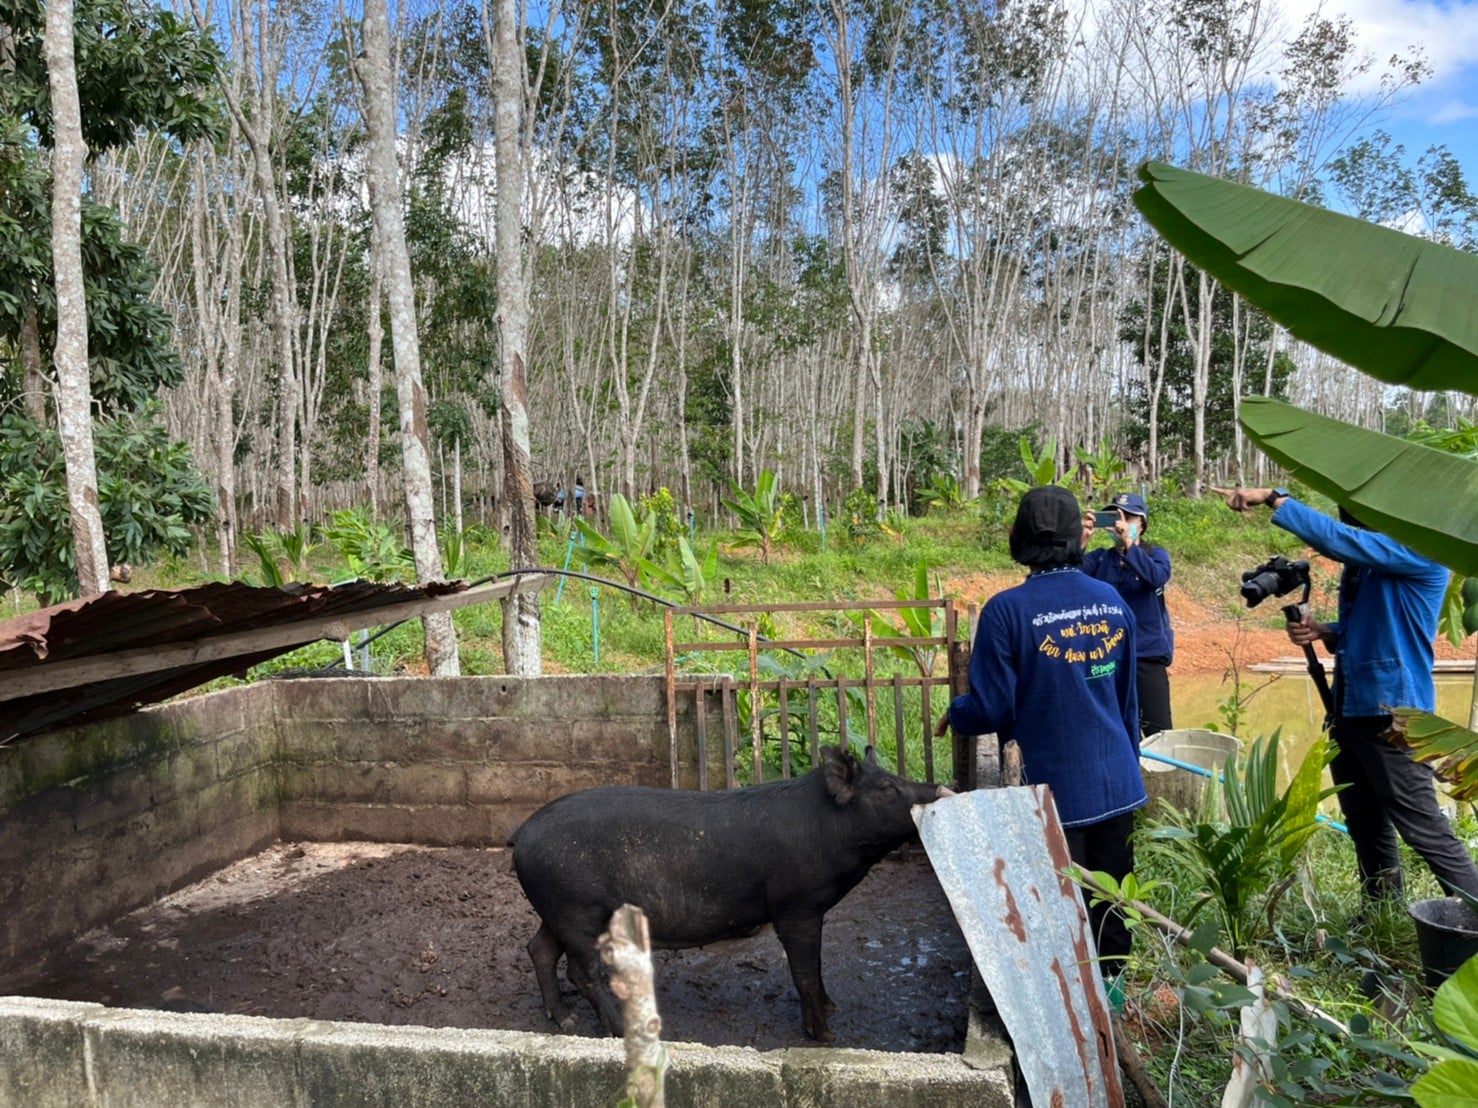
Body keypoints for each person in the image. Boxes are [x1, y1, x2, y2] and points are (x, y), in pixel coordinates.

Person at [1214, 485, 1478, 904]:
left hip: (1395, 714)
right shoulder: (1369, 566)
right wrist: (1325, 632)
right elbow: (1378, 628)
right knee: (1365, 822)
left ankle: (1473, 917)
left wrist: (1276, 499)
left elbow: (1343, 541)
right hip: (1351, 706)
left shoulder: (1420, 550)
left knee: (1424, 828)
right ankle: (1380, 911)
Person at [936, 485, 1147, 976]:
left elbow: (991, 706)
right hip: (1117, 782)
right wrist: (1127, 766)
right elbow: (1127, 701)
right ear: (1079, 536)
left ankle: (1071, 1012)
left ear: (1017, 539)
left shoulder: (1006, 611)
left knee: (1059, 909)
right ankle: (1110, 1006)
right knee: (1111, 906)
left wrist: (958, 713)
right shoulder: (1112, 601)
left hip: (1053, 794)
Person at [1082, 492, 1175, 737]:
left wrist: (1129, 547)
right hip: (1107, 657)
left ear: (1142, 525)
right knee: (1112, 729)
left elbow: (1157, 577)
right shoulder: (1100, 558)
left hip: (1147, 655)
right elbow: (1070, 577)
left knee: (1159, 731)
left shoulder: (1156, 555)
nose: (1121, 524)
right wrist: (1081, 540)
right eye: (1115, 517)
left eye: (1129, 518)